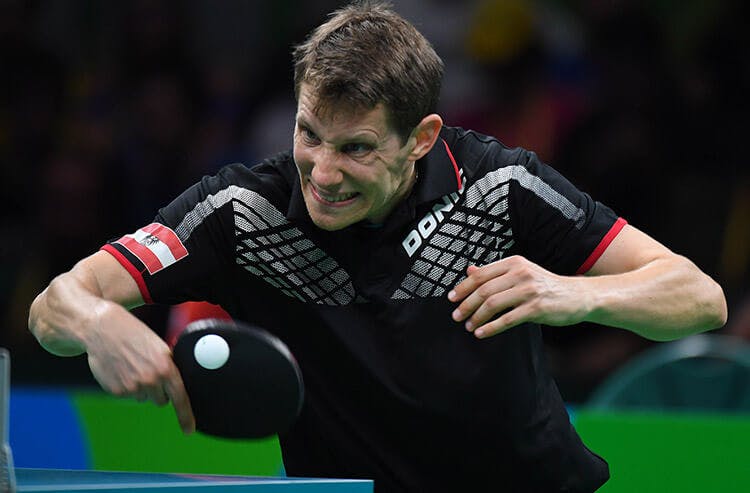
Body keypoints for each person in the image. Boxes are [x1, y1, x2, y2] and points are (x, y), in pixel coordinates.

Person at [28, 2, 727, 491]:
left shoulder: (497, 185)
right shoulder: (244, 211)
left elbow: (700, 297)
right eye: (309, 134)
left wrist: (572, 292)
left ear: (421, 138)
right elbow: (55, 303)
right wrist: (97, 323)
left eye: (356, 148)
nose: (322, 174)